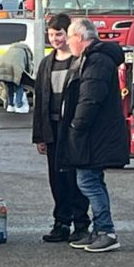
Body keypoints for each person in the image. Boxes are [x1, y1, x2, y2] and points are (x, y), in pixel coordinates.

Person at [58, 17, 128, 253]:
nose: (68, 42)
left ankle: (106, 230)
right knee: (92, 180)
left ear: (79, 37)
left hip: (94, 134)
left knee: (87, 181)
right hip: (97, 133)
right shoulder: (94, 58)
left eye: (69, 37)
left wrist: (77, 125)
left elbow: (90, 97)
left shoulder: (95, 61)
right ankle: (100, 230)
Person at [33, 13, 91, 244]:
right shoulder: (47, 63)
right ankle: (61, 222)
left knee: (75, 178)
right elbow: (40, 99)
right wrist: (40, 135)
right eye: (51, 34)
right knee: (56, 178)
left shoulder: (79, 62)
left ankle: (81, 223)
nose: (55, 39)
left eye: (59, 34)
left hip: (73, 129)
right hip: (52, 129)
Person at [0, 42, 33, 113]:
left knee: (10, 86)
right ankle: (19, 105)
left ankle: (10, 105)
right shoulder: (25, 51)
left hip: (3, 68)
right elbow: (28, 65)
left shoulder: (11, 49)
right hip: (16, 68)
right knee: (19, 85)